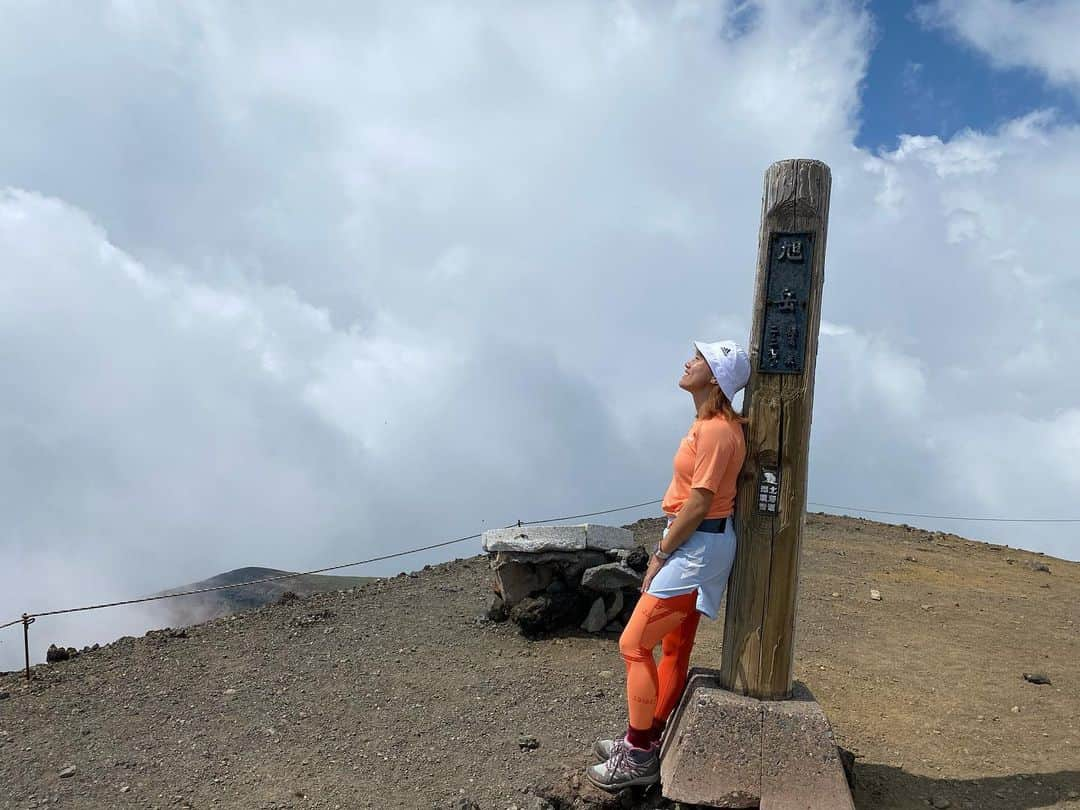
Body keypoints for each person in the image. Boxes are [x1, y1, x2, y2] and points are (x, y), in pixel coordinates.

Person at [586, 339, 750, 792]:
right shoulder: (711, 425)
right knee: (674, 648)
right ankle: (647, 738)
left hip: (696, 548)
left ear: (714, 377)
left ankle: (638, 754)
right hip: (701, 543)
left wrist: (660, 554)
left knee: (633, 644)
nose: (687, 362)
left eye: (698, 359)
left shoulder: (716, 430)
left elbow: (699, 503)